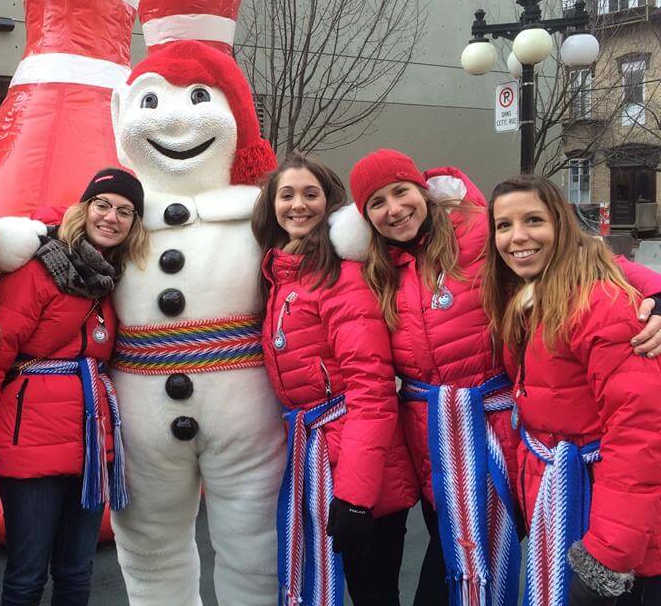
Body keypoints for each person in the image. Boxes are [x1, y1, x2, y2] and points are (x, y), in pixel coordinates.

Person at [336, 149, 661, 606]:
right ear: (365, 217)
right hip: (432, 449)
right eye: (377, 203)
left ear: (423, 191)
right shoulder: (375, 269)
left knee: (491, 567)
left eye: (401, 191)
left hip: (496, 439)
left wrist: (657, 295)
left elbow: (578, 259)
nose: (394, 209)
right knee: (453, 567)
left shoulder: (479, 232)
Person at [0, 168, 148, 606]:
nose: (111, 218)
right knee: (27, 574)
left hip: (89, 446)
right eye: (102, 205)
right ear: (83, 209)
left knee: (76, 571)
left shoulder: (112, 279)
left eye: (124, 211)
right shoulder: (39, 272)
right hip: (30, 446)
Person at [482, 174, 661, 606]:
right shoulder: (528, 298)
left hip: (615, 532)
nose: (517, 237)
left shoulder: (601, 304)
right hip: (566, 502)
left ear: (561, 224)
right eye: (503, 225)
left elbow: (639, 433)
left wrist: (607, 557)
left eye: (532, 220)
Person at [251, 153, 418, 606]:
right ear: (272, 205)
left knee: (373, 594)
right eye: (287, 195)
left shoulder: (343, 278)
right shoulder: (280, 277)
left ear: (330, 204)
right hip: (318, 458)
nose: (298, 205)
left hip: (362, 469)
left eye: (311, 194)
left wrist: (356, 497)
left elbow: (372, 389)